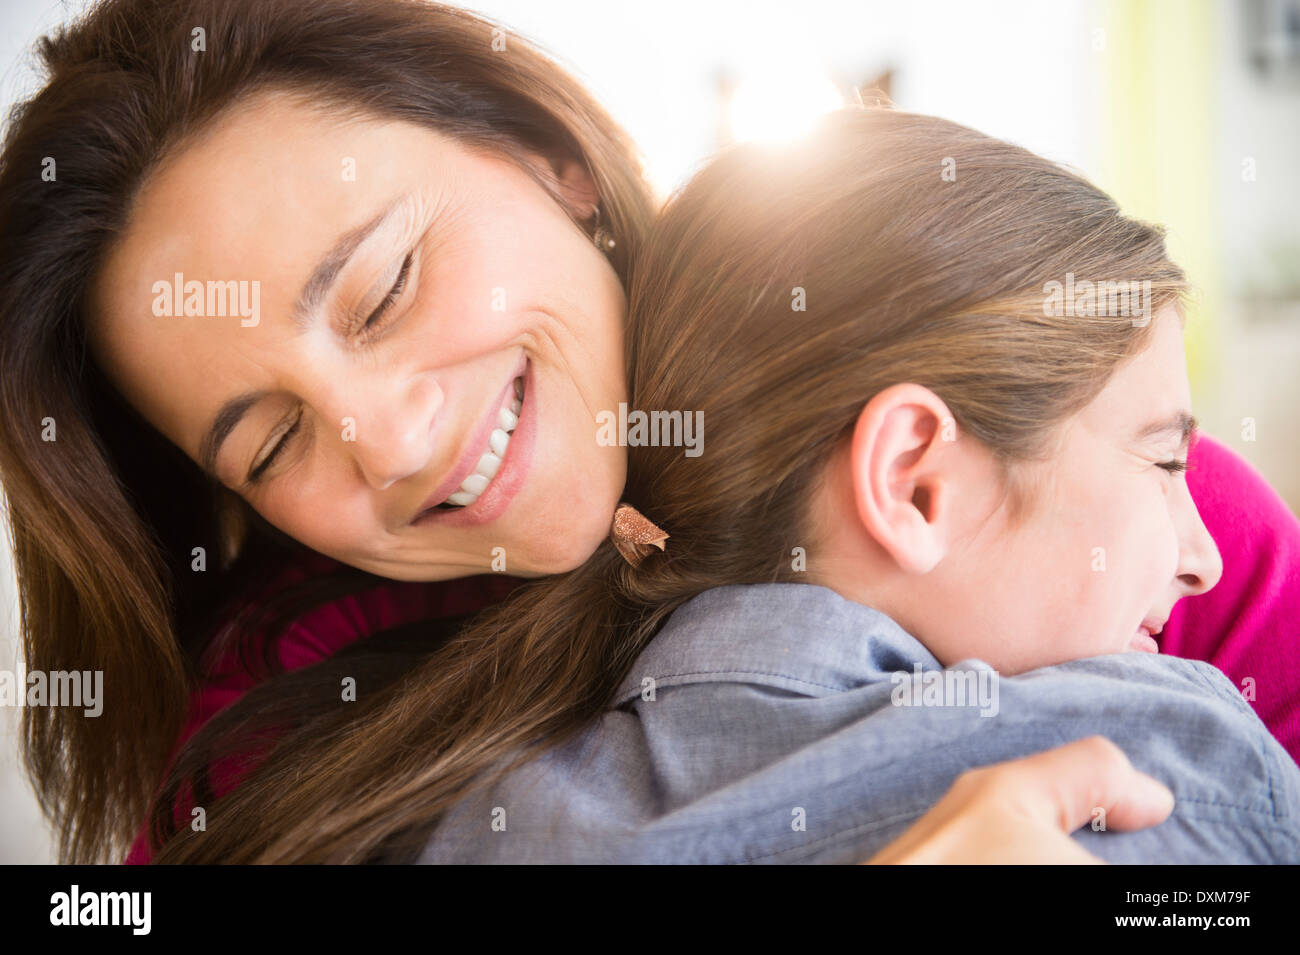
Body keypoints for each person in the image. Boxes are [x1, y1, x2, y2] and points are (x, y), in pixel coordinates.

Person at [0, 0, 1293, 865]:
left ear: (548, 155)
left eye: (387, 288)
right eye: (271, 444)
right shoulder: (283, 734)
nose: (385, 441)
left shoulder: (1113, 491)